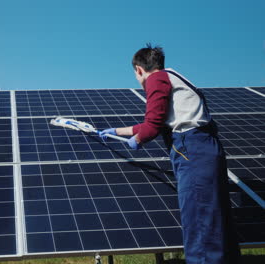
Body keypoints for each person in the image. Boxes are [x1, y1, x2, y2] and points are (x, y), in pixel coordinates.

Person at [100, 44, 241, 263]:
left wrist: (137, 140)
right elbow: (159, 121)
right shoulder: (174, 77)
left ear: (138, 69)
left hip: (191, 150)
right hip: (205, 147)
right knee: (215, 222)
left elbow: (152, 125)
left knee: (199, 222)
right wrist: (116, 131)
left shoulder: (156, 79)